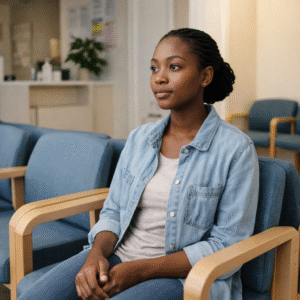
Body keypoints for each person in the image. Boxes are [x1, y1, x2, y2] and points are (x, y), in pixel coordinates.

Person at [17, 28, 259, 300]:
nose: (160, 78)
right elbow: (114, 211)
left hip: (184, 278)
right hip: (118, 256)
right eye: (154, 69)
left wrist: (141, 270)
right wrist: (95, 255)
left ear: (205, 76)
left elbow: (227, 245)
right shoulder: (140, 139)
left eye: (174, 66)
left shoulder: (236, 150)